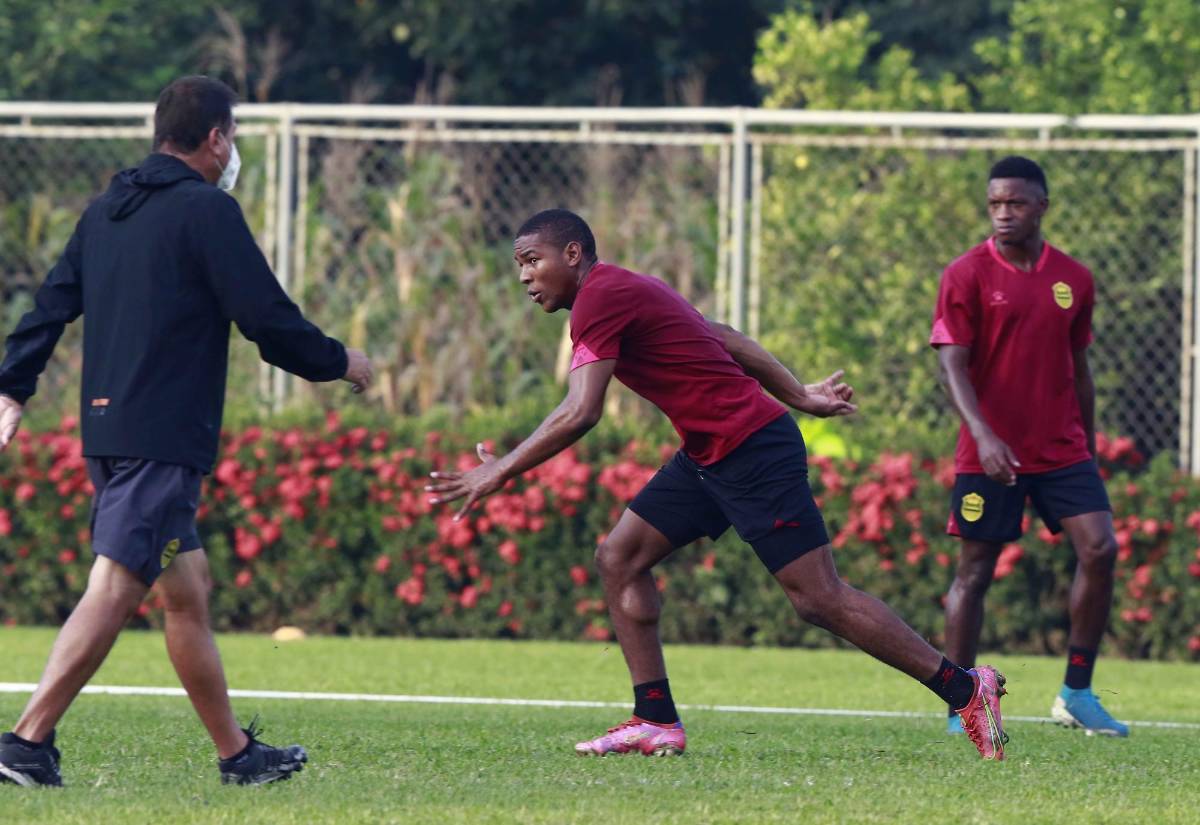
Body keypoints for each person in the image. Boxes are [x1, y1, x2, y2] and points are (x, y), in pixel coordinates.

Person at [426, 208, 1009, 760]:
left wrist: (498, 470)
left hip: (751, 449)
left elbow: (582, 410)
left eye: (533, 260)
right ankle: (655, 719)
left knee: (819, 598)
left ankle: (963, 688)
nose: (525, 277)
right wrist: (800, 396)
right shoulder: (625, 287)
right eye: (519, 265)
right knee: (620, 558)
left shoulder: (600, 297)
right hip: (712, 452)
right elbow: (724, 336)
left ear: (573, 254)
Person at [0, 75, 374, 788]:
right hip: (163, 434)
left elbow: (50, 303)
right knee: (116, 583)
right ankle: (25, 741)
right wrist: (340, 361)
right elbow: (267, 319)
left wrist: (13, 383)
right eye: (232, 137)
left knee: (187, 588)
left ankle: (237, 754)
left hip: (108, 428)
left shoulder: (107, 209)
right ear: (216, 138)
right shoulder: (207, 210)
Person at [932, 156, 1126, 737]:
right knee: (974, 573)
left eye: (1015, 203)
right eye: (995, 203)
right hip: (989, 454)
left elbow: (1080, 368)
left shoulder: (1074, 279)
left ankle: (1077, 693)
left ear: (1042, 206)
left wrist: (1088, 448)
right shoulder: (965, 274)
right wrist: (984, 435)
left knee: (1101, 549)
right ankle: (962, 705)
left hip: (1062, 450)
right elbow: (952, 365)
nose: (1003, 213)